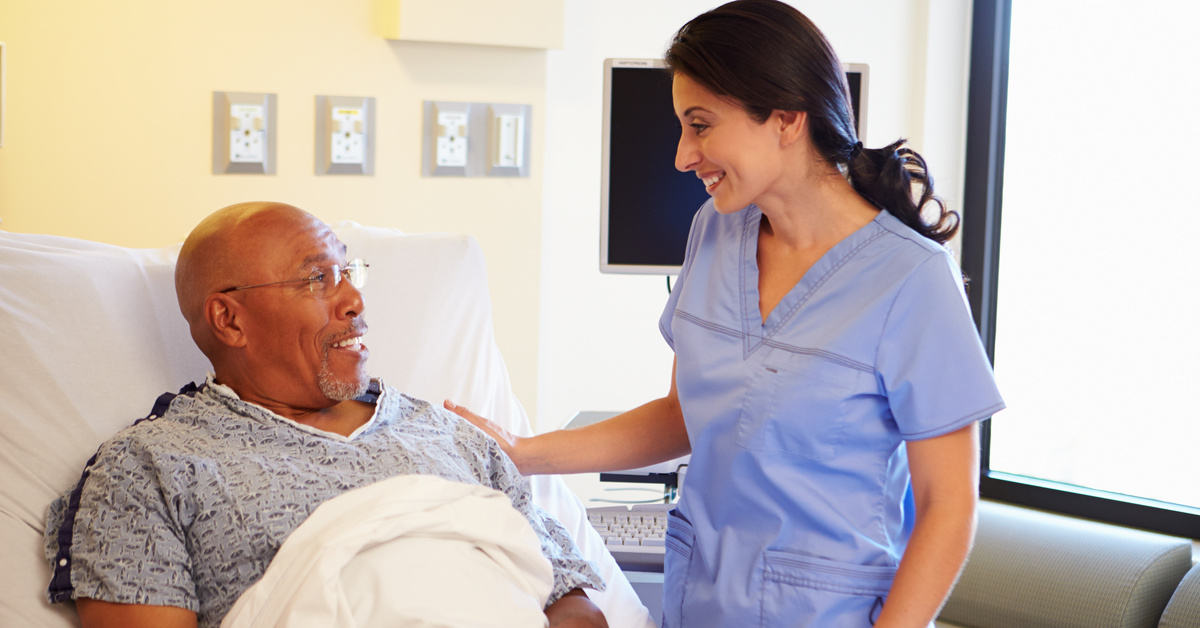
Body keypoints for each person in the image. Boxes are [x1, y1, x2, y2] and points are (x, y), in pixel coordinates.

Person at [444, 1, 1005, 626]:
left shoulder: (910, 278)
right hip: (702, 602)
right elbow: (685, 413)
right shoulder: (714, 232)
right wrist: (524, 452)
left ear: (787, 117)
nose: (684, 155)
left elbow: (948, 507)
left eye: (701, 125)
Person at [43, 202, 608, 628]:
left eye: (348, 273)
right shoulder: (151, 467)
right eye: (317, 279)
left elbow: (569, 601)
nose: (353, 301)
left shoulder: (449, 434)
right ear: (229, 320)